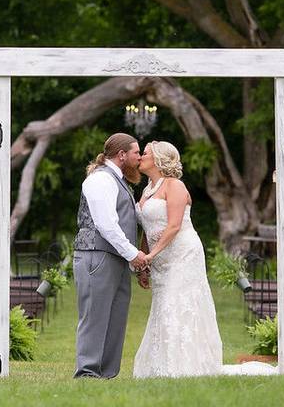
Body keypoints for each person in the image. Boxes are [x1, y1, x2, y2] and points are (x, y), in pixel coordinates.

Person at [132, 140, 224, 378]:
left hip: (183, 254)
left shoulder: (175, 186)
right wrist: (145, 263)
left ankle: (183, 367)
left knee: (178, 305)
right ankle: (159, 366)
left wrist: (150, 255)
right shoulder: (147, 190)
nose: (140, 157)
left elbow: (173, 226)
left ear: (159, 159)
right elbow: (147, 228)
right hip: (161, 259)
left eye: (145, 154)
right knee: (163, 306)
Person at [72, 132, 148, 379]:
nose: (140, 158)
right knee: (95, 315)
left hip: (115, 258)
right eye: (137, 153)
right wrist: (133, 254)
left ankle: (106, 373)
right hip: (96, 255)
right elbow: (106, 224)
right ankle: (87, 372)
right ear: (122, 154)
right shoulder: (100, 180)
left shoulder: (120, 180)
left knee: (116, 317)